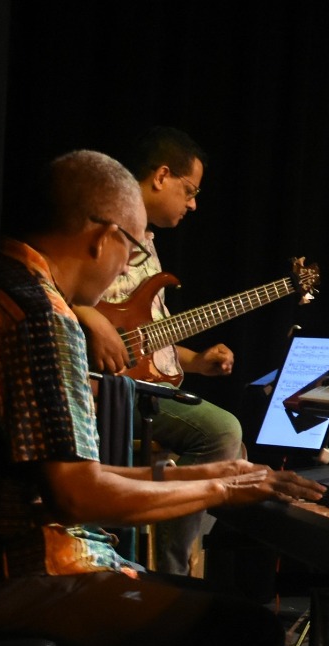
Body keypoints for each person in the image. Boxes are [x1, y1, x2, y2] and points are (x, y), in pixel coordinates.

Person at [0, 149, 326, 646]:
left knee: (223, 620)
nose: (129, 266)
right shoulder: (43, 315)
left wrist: (205, 477)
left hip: (24, 558)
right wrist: (222, 487)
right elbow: (74, 494)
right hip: (28, 572)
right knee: (250, 633)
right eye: (135, 245)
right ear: (101, 236)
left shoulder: (8, 288)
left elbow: (61, 471)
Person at [73, 127, 243, 578]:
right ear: (161, 176)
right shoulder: (98, 223)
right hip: (103, 386)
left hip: (145, 382)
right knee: (224, 431)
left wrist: (196, 362)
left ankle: (176, 561)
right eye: (189, 191)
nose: (193, 205)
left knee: (235, 451)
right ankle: (169, 577)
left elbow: (146, 338)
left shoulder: (148, 244)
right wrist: (89, 318)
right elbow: (50, 284)